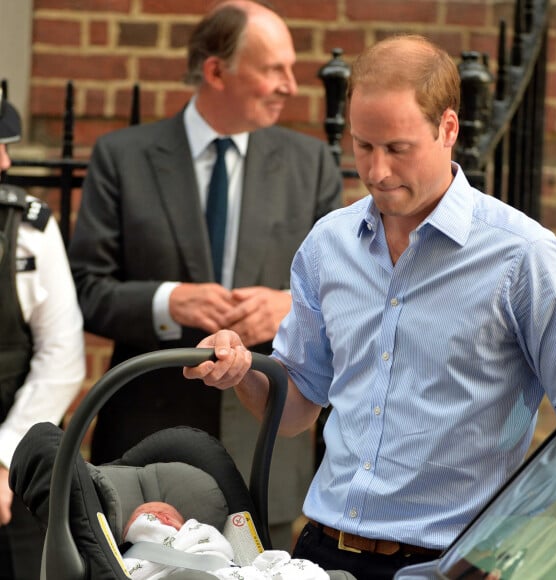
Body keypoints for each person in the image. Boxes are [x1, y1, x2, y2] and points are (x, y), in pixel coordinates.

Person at [182, 34, 556, 580]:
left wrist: (520, 552)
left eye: (397, 148)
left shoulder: (524, 257)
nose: (377, 171)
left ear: (448, 129)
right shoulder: (329, 244)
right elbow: (297, 407)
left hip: (452, 565)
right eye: (363, 145)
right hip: (320, 554)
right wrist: (242, 372)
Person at [67, 0, 343, 550]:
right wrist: (170, 302)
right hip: (146, 448)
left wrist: (287, 304)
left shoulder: (311, 164)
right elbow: (85, 289)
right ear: (217, 71)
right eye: (273, 70)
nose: (291, 85)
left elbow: (346, 294)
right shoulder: (123, 156)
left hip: (262, 449)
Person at [0, 93, 85, 578]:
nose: (6, 160)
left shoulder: (27, 229)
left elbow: (62, 358)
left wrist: (4, 459)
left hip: (13, 471)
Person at [121, 501, 330, 579]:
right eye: (151, 514)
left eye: (162, 513)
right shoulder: (130, 551)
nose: (158, 517)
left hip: (216, 570)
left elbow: (220, 550)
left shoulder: (193, 532)